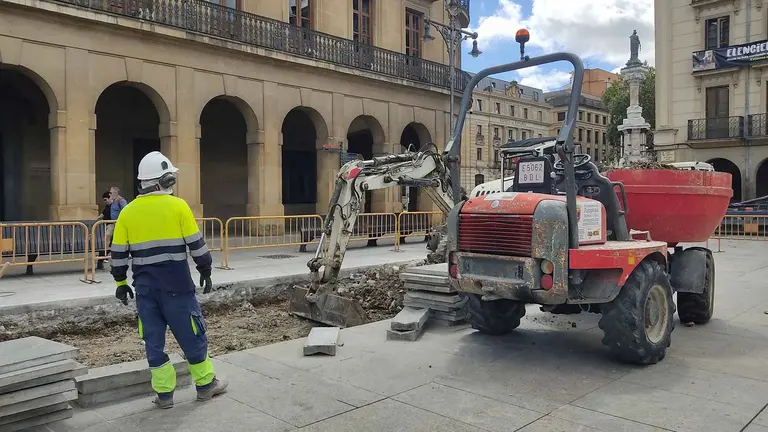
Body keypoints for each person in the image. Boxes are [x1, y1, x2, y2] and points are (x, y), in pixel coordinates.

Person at [109, 151, 226, 409]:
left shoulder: (127, 213)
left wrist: (120, 283)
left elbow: (117, 254)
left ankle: (164, 395)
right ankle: (206, 385)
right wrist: (205, 269)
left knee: (153, 342)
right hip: (177, 287)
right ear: (165, 181)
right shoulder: (178, 206)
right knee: (192, 335)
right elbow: (196, 245)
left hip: (146, 290)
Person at [104, 187, 127, 256]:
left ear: (116, 193)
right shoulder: (113, 201)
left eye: (111, 193)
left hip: (118, 223)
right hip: (113, 223)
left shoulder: (121, 201)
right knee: (109, 237)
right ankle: (108, 253)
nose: (110, 194)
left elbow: (125, 211)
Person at [95, 191, 112, 270]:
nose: (105, 201)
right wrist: (97, 218)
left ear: (110, 198)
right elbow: (103, 214)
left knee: (107, 243)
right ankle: (103, 259)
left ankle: (104, 257)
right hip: (107, 225)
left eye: (105, 200)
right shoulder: (107, 206)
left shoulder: (114, 206)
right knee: (107, 244)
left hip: (111, 225)